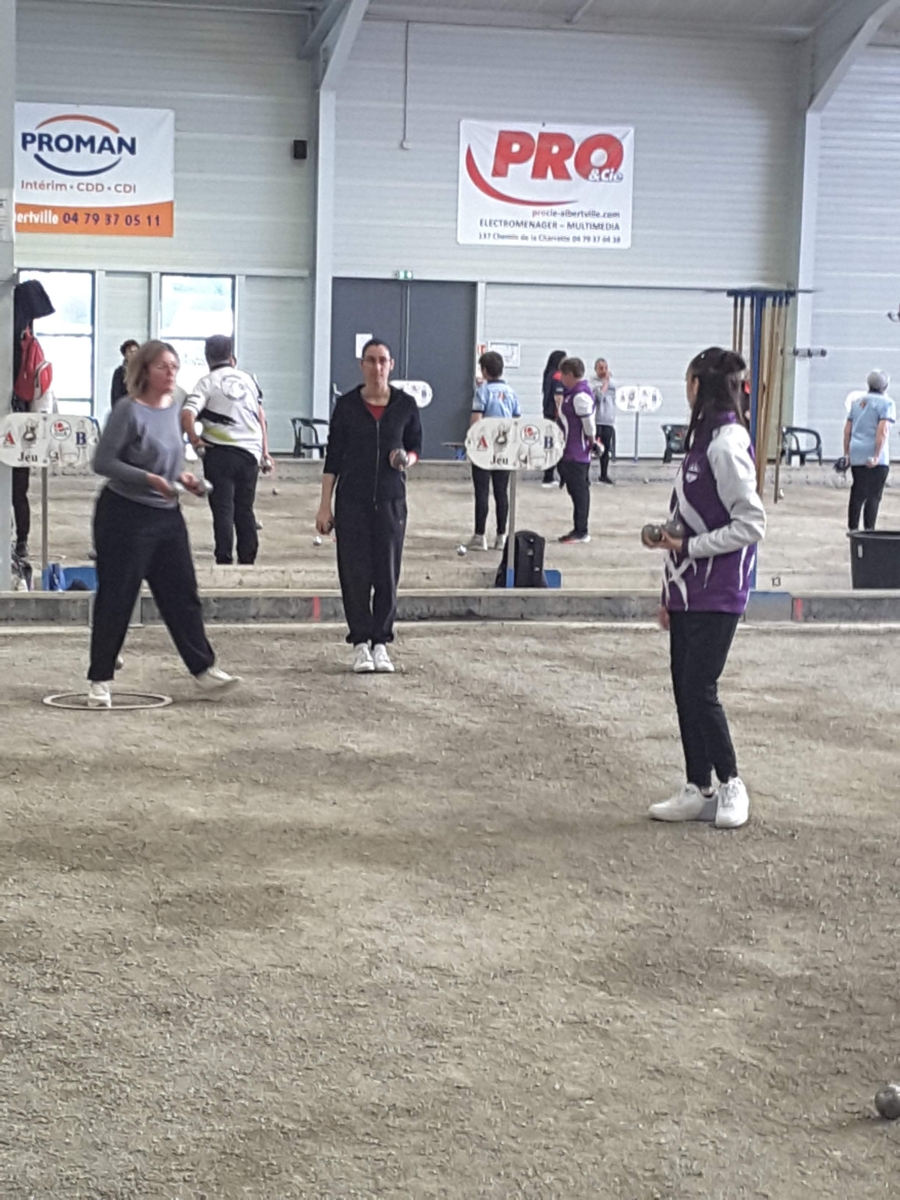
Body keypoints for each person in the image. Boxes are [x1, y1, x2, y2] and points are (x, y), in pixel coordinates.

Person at [645, 347, 766, 830]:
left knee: (701, 687)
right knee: (683, 686)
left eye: (687, 381)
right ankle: (698, 786)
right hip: (687, 588)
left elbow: (751, 523)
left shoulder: (726, 444)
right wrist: (669, 589)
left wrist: (691, 546)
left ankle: (732, 781)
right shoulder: (703, 440)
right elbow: (690, 515)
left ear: (698, 385)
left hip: (719, 589)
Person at [87, 340, 241, 708]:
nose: (171, 373)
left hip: (167, 514)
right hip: (125, 513)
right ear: (145, 371)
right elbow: (103, 462)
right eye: (162, 367)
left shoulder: (176, 405)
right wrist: (149, 479)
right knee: (118, 596)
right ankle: (100, 679)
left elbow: (170, 458)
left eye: (174, 366)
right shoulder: (128, 410)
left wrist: (184, 478)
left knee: (182, 593)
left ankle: (203, 668)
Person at [316, 338, 422, 674]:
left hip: (391, 501)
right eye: (371, 360)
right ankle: (360, 642)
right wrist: (325, 505)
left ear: (391, 365)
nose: (377, 367)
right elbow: (333, 457)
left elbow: (416, 446)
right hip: (352, 502)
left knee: (387, 574)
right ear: (362, 365)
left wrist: (406, 459)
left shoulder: (405, 405)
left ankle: (381, 643)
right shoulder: (347, 405)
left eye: (383, 361)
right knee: (355, 573)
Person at [181, 335, 273, 565]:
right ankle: (248, 559)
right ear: (231, 356)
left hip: (219, 453)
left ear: (207, 357)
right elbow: (260, 417)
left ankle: (224, 558)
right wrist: (265, 452)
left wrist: (195, 440)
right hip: (249, 454)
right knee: (245, 508)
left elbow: (187, 413)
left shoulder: (206, 382)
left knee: (223, 508)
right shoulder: (248, 380)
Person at [11, 278, 55, 560]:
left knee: (17, 489)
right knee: (18, 489)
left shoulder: (22, 337)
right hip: (22, 420)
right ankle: (21, 541)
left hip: (19, 419)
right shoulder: (25, 339)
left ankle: (20, 540)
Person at [468, 350, 521, 551]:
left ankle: (479, 536)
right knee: (501, 492)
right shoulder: (511, 393)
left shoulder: (482, 392)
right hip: (504, 448)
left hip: (484, 449)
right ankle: (501, 537)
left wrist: (473, 442)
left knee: (482, 491)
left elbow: (476, 421)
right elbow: (516, 420)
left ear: (484, 370)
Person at [843, 369, 895, 531]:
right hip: (875, 455)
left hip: (857, 453)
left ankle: (853, 528)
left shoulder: (856, 403)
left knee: (857, 492)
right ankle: (868, 530)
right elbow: (882, 431)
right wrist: (877, 455)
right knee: (874, 495)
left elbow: (847, 430)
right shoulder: (887, 404)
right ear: (885, 386)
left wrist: (846, 454)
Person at [555, 356, 597, 544]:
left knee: (579, 492)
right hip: (570, 450)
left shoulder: (580, 396)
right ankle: (578, 528)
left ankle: (581, 530)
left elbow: (588, 424)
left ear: (570, 374)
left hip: (577, 452)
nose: (561, 379)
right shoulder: (573, 394)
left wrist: (592, 441)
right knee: (575, 490)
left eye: (563, 375)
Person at [541, 349, 566, 486]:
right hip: (556, 416)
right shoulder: (558, 376)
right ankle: (553, 476)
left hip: (547, 414)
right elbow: (558, 398)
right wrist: (562, 415)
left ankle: (548, 475)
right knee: (558, 446)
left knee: (549, 445)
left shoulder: (548, 375)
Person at [591, 357, 616, 485]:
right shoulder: (593, 383)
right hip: (597, 420)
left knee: (606, 449)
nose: (604, 371)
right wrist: (605, 382)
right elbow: (599, 397)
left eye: (606, 368)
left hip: (608, 421)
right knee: (592, 448)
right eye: (601, 368)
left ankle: (603, 475)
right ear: (596, 369)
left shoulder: (612, 385)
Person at [110, 340, 139, 407]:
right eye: (130, 352)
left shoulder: (144, 370)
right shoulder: (119, 372)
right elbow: (116, 394)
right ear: (125, 355)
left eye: (135, 351)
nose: (133, 354)